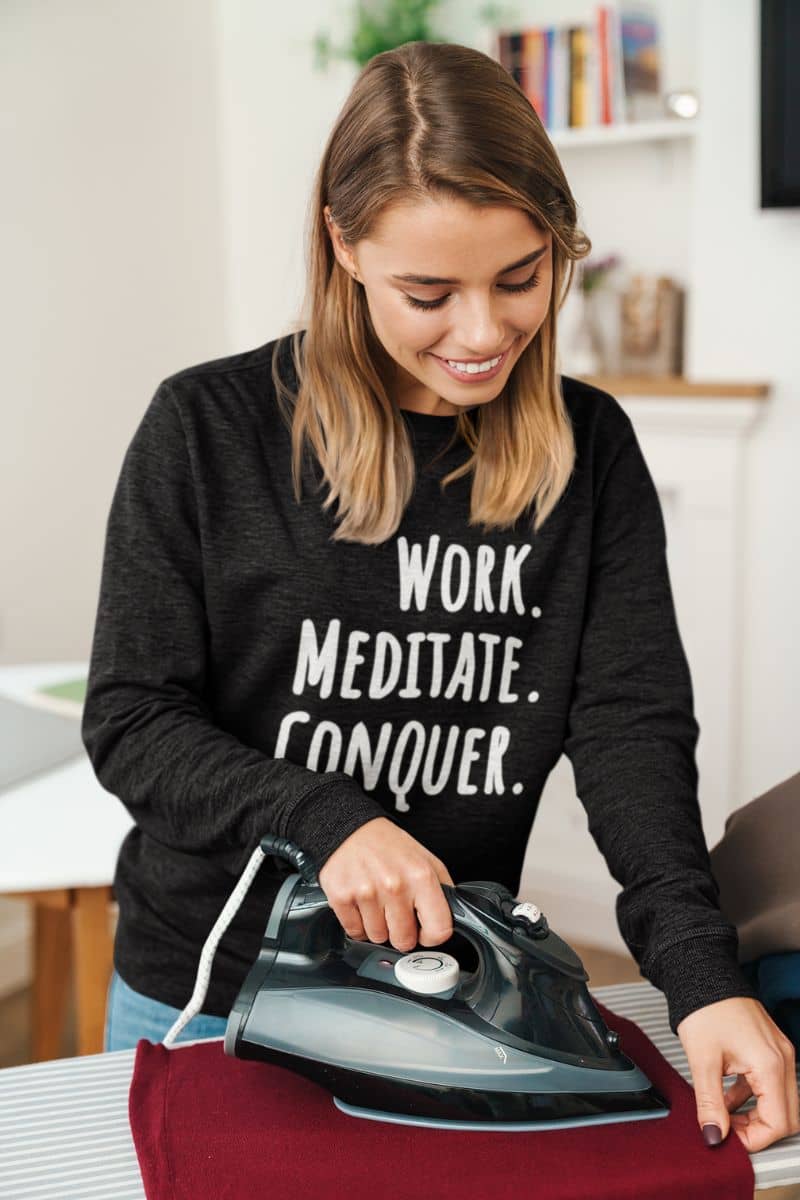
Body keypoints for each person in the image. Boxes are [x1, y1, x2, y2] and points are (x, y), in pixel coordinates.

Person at [81, 40, 798, 1152]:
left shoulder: (587, 447)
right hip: (209, 996)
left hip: (447, 999)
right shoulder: (204, 431)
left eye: (520, 278)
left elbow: (628, 734)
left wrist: (702, 981)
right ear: (342, 246)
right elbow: (132, 718)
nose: (481, 334)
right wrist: (325, 820)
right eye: (428, 292)